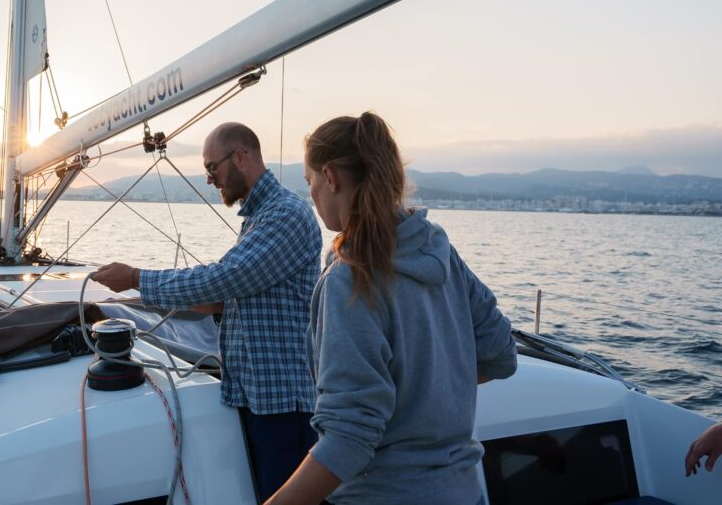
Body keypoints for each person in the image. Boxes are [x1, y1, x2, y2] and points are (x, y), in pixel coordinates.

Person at [266, 113, 518, 505]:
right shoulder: (439, 252)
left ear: (330, 177)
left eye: (309, 180)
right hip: (464, 493)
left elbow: (349, 438)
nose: (310, 193)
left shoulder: (349, 279)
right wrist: (426, 391)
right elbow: (501, 353)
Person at [92, 122, 322, 502]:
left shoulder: (285, 216)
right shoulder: (260, 218)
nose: (210, 179)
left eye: (212, 168)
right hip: (258, 399)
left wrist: (136, 278)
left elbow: (226, 278)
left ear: (240, 158)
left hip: (283, 406)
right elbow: (235, 292)